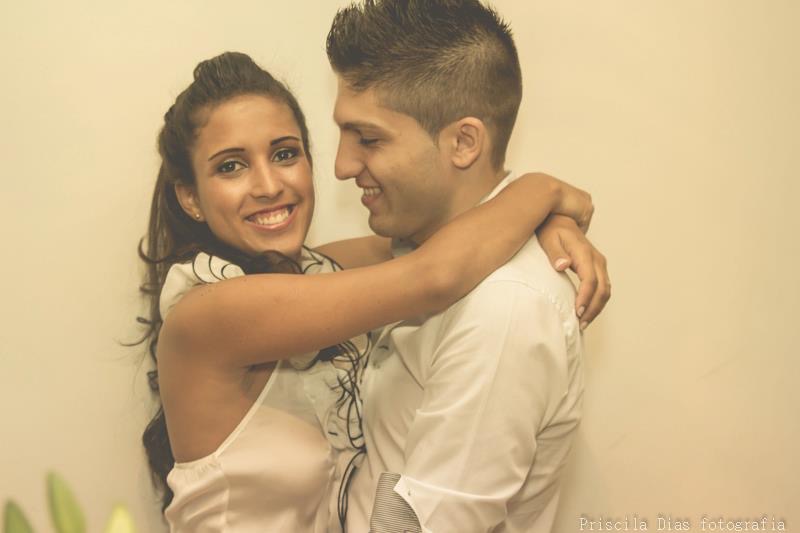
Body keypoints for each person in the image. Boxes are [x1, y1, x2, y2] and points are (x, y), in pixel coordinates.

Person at [136, 52, 604, 532]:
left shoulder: (312, 272)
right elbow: (433, 274)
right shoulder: (211, 312)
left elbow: (443, 235)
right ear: (190, 197)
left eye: (284, 154)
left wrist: (547, 224)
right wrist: (542, 191)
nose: (269, 185)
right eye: (231, 167)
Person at [325, 1, 610, 531]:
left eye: (369, 139)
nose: (342, 166)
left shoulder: (504, 309)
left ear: (463, 142)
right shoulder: (415, 245)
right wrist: (538, 199)